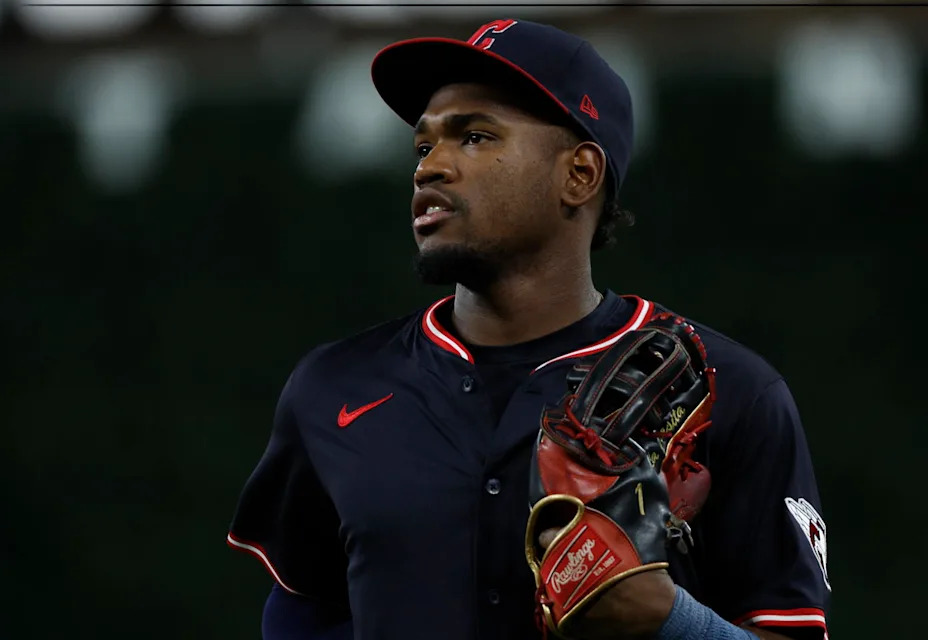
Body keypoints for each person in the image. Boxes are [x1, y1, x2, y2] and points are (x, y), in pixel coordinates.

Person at [226, 18, 831, 640]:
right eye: (424, 145)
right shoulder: (333, 388)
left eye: (475, 136)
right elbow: (305, 612)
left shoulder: (726, 390)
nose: (430, 167)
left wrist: (669, 619)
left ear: (580, 174)